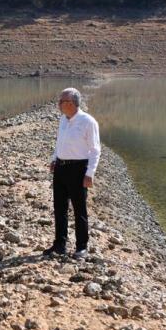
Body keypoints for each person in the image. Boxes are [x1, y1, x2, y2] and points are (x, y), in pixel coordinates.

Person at [44, 88, 101, 259]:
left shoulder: (88, 122)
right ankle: (59, 244)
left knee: (79, 209)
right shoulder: (63, 119)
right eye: (60, 101)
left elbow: (95, 150)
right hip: (61, 167)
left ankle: (81, 247)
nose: (59, 104)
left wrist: (90, 173)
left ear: (72, 103)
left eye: (62, 101)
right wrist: (55, 158)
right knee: (59, 207)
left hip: (78, 169)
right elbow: (59, 142)